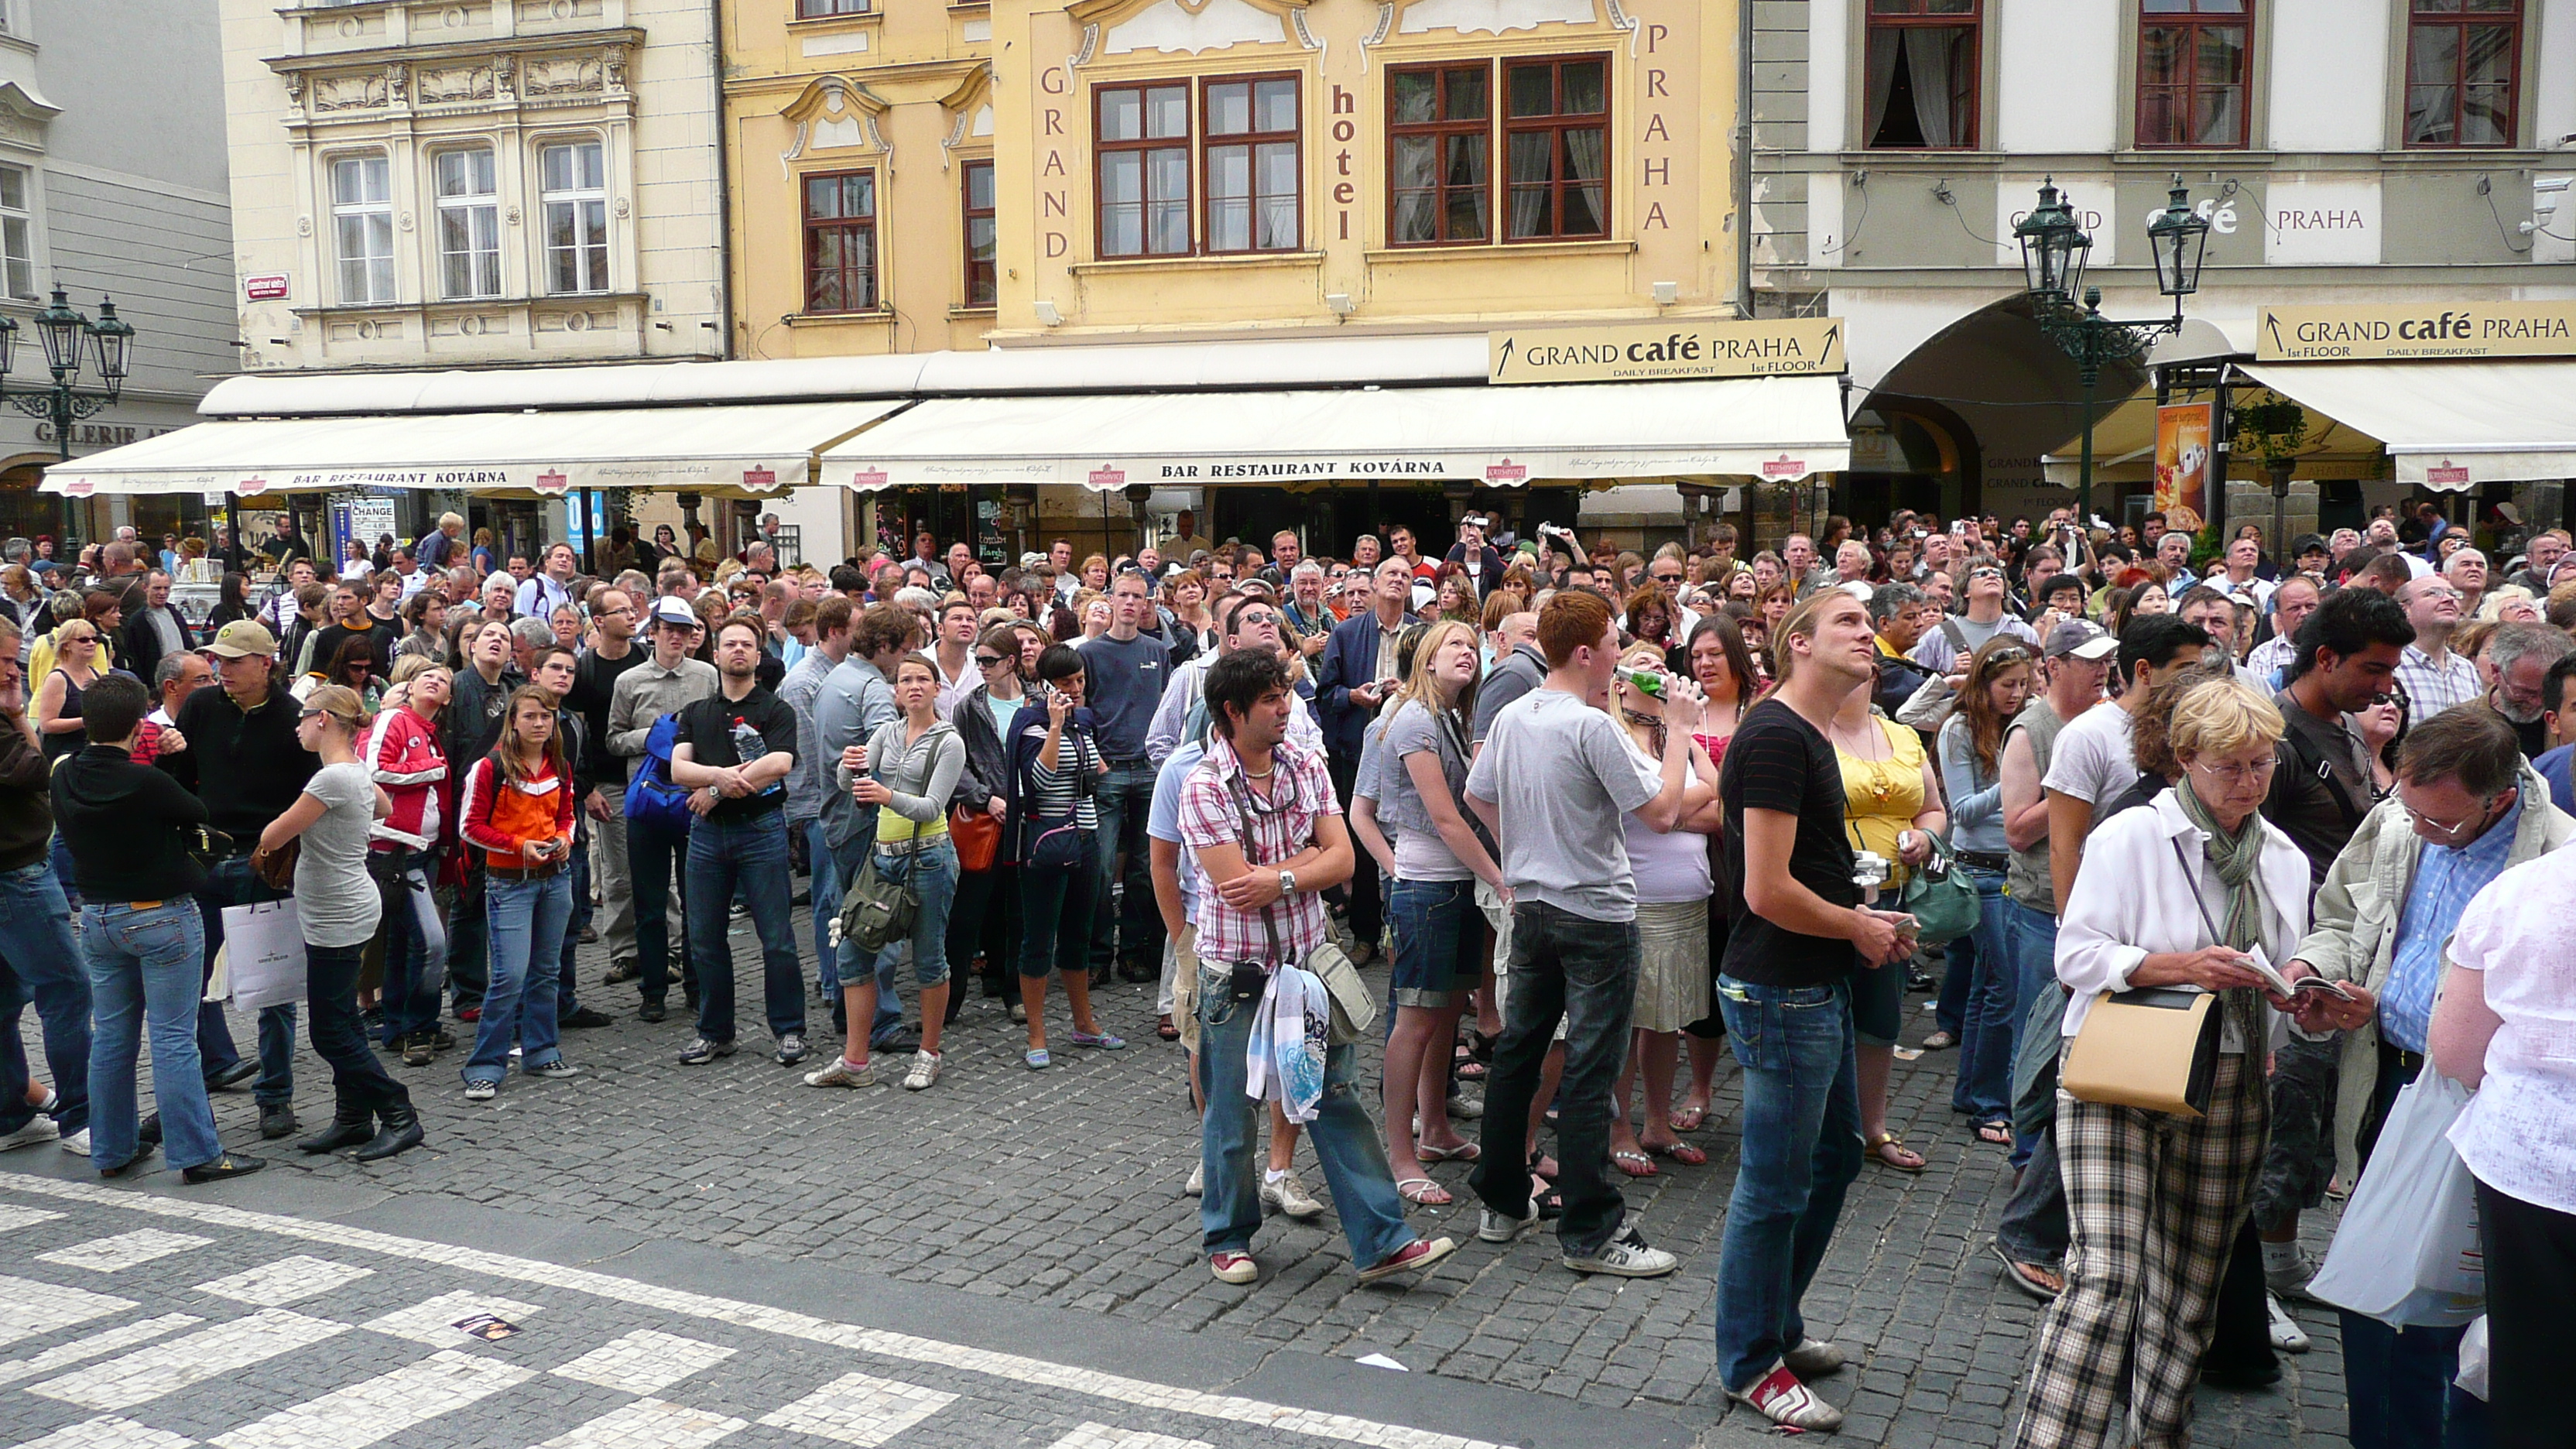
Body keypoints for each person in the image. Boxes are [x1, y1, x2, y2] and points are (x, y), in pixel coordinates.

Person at [2012, 680, 2312, 1449]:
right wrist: (2176, 965)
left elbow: (2283, 966)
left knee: (2188, 1294)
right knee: (2105, 1278)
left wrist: (2303, 994)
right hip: (2121, 1068)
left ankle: (2155, 1436)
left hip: (2234, 1081)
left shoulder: (2279, 859)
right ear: (2184, 760)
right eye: (2230, 767)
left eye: (2261, 764)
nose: (2248, 782)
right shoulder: (2129, 837)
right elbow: (2073, 955)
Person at [2288, 706, 2561, 1446]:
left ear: (2498, 799)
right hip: (2384, 1080)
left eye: (2439, 823)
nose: (2419, 830)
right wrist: (2319, 970)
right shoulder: (2400, 820)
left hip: (2482, 1108)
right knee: (2376, 1285)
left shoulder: (2554, 861)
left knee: (2452, 1300)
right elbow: (2342, 913)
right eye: (2408, 808)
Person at [1180, 646, 1456, 1287]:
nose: (1287, 710)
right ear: (1233, 711)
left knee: (1336, 1098)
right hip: (1235, 975)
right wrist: (1303, 866)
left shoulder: (1305, 763)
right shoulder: (1203, 785)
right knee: (1231, 1110)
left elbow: (1343, 861)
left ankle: (1383, 1241)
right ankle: (1226, 1236)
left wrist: (1278, 876)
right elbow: (1233, 886)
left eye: (1287, 695)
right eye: (1273, 700)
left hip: (1306, 966)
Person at [1704, 590, 1914, 1430]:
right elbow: (1764, 889)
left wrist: (1860, 922)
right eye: (1848, 625)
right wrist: (1857, 926)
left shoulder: (1804, 732)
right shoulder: (1778, 737)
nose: (1868, 636)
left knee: (1831, 1158)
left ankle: (1773, 1324)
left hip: (1810, 978)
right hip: (1781, 987)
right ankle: (1751, 1361)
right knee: (1775, 1183)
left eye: (1869, 625)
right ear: (1798, 644)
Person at [1464, 588, 1704, 1279]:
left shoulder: (1514, 715)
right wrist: (1678, 727)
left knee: (1519, 1055)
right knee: (1591, 1064)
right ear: (1583, 652)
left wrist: (1524, 855)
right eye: (1609, 643)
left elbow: (1479, 796)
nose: (1615, 654)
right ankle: (1592, 1229)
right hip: (1595, 912)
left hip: (1537, 906)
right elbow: (1661, 813)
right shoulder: (1588, 723)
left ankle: (1504, 1202)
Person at [55, 673, 260, 1181]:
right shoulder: (145, 780)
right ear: (136, 725)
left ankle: (112, 1148)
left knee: (112, 1037)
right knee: (172, 1037)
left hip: (99, 916)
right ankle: (196, 1154)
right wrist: (168, 758)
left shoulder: (64, 775)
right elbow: (194, 809)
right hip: (159, 913)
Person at [2428, 791, 2576, 1449]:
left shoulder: (2519, 892)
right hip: (2528, 1166)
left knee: (2534, 1374)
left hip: (2528, 1167)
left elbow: (2457, 1050)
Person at [252, 683, 422, 1160]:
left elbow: (272, 835)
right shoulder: (355, 773)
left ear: (323, 719)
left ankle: (397, 1109)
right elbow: (384, 808)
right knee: (342, 1017)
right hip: (343, 903)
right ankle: (352, 1118)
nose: (298, 726)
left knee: (328, 1030)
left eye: (303, 717)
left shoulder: (330, 779)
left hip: (337, 911)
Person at [166, 618, 313, 1139]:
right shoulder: (202, 707)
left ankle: (275, 1095)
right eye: (217, 660)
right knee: (186, 981)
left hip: (263, 863)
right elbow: (181, 779)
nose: (220, 669)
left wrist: (278, 849)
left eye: (232, 661)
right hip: (206, 861)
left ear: (265, 664)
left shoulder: (294, 719)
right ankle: (184, 1097)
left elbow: (308, 798)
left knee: (272, 988)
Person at [1372, 618, 1500, 1204]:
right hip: (1428, 887)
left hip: (1454, 885)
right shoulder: (1414, 720)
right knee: (1417, 1020)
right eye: (1455, 645)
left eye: (1472, 647)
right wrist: (1504, 879)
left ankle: (1437, 1132)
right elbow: (1445, 817)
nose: (1467, 653)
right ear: (1426, 659)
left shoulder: (1451, 718)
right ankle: (1400, 1152)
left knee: (1447, 1013)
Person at [813, 655, 964, 1091]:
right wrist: (849, 763)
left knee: (930, 959)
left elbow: (933, 807)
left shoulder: (948, 742)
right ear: (895, 692)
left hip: (929, 857)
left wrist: (884, 794)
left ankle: (929, 1053)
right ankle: (855, 1061)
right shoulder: (887, 732)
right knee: (853, 953)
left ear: (936, 689)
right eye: (905, 680)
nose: (914, 686)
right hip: (882, 858)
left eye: (923, 679)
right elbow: (846, 783)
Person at [1826, 639, 1947, 1175]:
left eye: (1866, 672)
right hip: (1828, 898)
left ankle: (1872, 1129)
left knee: (1880, 1019)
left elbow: (1935, 808)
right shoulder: (1808, 732)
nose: (1859, 678)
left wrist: (1925, 838)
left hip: (1894, 895)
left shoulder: (1901, 735)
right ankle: (1824, 1129)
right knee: (1825, 1015)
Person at [1601, 641, 1720, 1180]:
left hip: (1688, 900)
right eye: (1641, 665)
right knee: (1629, 1022)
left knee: (1667, 1021)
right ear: (1620, 682)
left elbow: (1719, 801)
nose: (1656, 672)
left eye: (1660, 665)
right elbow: (1652, 814)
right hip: (1637, 900)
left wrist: (1672, 810)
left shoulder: (1681, 738)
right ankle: (1618, 1126)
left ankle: (1657, 1121)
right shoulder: (1614, 737)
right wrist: (1669, 811)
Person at [670, 618, 806, 1066]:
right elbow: (677, 770)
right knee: (705, 939)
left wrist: (711, 790)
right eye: (730, 644)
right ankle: (715, 1032)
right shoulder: (695, 712)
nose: (738, 651)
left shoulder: (776, 709)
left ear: (758, 654)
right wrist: (717, 779)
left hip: (761, 831)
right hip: (707, 837)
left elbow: (780, 763)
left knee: (777, 938)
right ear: (715, 654)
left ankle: (789, 1030)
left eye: (747, 644)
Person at [453, 686, 582, 1100]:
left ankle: (541, 1050)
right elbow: (470, 827)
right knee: (509, 976)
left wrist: (563, 837)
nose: (539, 723)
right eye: (530, 716)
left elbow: (566, 815)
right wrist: (517, 846)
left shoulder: (558, 764)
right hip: (508, 883)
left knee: (546, 970)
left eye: (546, 716)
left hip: (555, 876)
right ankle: (485, 1065)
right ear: (513, 721)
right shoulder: (490, 767)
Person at [1937, 636, 2036, 1147]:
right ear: (1983, 683)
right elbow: (1964, 812)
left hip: (2015, 866)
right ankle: (1989, 1104)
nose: (2016, 694)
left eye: (2024, 684)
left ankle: (1969, 1092)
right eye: (2006, 685)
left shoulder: (2022, 723)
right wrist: (2018, 777)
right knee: (2004, 987)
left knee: (1985, 986)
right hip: (1978, 869)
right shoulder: (1958, 729)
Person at [1009, 644, 1123, 1067]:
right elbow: (1038, 780)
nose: (1075, 690)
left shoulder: (1084, 722)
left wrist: (1079, 730)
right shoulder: (1031, 723)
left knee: (1079, 933)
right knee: (1038, 938)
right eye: (1065, 684)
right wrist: (1056, 727)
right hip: (1045, 841)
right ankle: (1036, 1034)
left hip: (1085, 837)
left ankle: (1084, 1023)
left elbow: (1099, 771)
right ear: (1046, 686)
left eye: (1079, 681)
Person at [0, 615, 88, 1156]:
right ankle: (83, 1116)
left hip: (16, 868)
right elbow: (38, 769)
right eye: (5, 661)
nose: (13, 672)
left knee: (6, 998)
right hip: (18, 873)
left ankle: (12, 1112)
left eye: (15, 660)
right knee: (68, 991)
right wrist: (17, 715)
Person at [605, 598, 717, 1023]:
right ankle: (652, 990)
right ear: (652, 631)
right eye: (668, 628)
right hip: (646, 801)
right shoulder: (630, 681)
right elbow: (613, 739)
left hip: (693, 800)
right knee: (649, 900)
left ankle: (695, 984)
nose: (676, 636)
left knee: (697, 900)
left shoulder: (706, 676)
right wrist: (650, 737)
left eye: (684, 630)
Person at [1320, 557, 1419, 966]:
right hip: (1355, 751)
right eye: (1390, 574)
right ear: (1375, 585)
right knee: (1359, 843)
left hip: (1410, 754)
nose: (1397, 580)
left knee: (1406, 841)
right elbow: (1325, 695)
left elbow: (1437, 687)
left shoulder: (1423, 633)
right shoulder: (1345, 633)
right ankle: (1364, 935)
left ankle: (1404, 932)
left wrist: (1408, 689)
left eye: (1405, 575)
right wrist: (1354, 697)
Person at [1078, 569, 1173, 985]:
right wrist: (1096, 761)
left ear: (1148, 602)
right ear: (1111, 600)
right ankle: (1097, 953)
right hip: (1109, 769)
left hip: (1150, 770)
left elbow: (1169, 710)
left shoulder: (1158, 650)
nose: (1131, 603)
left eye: (1139, 596)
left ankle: (1134, 951)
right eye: (1124, 596)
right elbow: (1083, 711)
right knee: (1099, 867)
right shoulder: (1091, 653)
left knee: (1144, 867)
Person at [946, 622, 1026, 1020]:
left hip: (1028, 819)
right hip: (984, 819)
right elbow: (954, 762)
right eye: (978, 661)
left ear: (1012, 662)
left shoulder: (1039, 704)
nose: (982, 667)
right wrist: (985, 798)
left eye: (990, 661)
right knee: (969, 910)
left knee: (1018, 908)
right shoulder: (969, 707)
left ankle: (1013, 989)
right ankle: (951, 997)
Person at [2393, 576, 2482, 722]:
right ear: (2405, 609)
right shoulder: (2392, 665)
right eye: (2433, 593)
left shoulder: (2467, 669)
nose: (2449, 599)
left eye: (2453, 594)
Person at [2481, 621, 2575, 759]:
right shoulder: (2462, 726)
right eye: (2526, 692)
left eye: (2546, 693)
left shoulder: (2568, 715)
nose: (2538, 702)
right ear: (2496, 672)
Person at [32, 616, 104, 764]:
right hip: (64, 755)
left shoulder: (96, 673)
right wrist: (87, 721)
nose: (91, 643)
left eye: (94, 639)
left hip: (91, 752)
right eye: (83, 640)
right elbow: (47, 725)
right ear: (66, 645)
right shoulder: (58, 679)